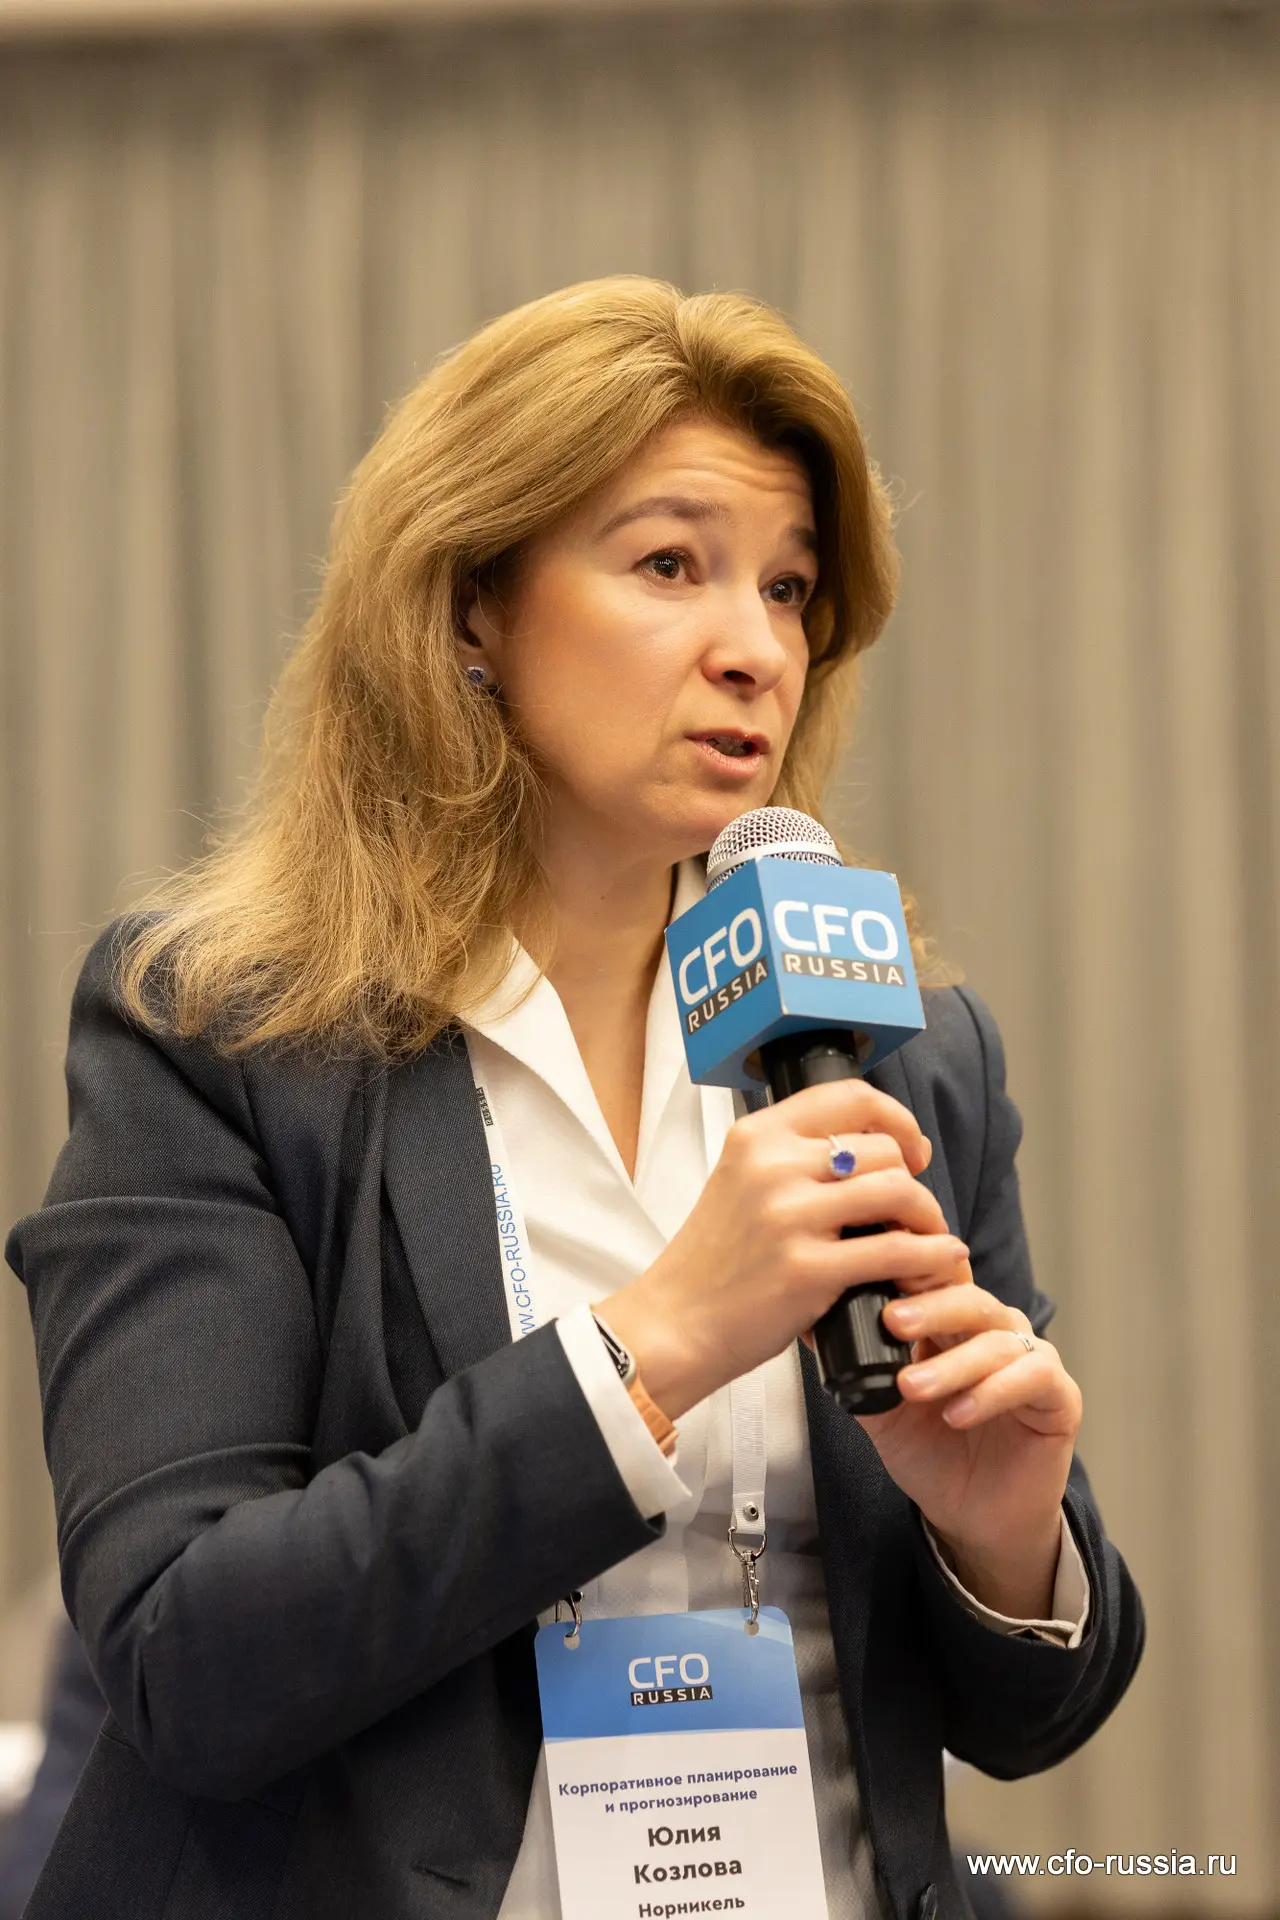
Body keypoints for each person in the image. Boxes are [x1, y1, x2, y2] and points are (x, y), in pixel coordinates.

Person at [5, 277, 1143, 1920]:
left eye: (790, 587)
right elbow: (187, 1655)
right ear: (473, 605)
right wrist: (652, 1349)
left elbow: (1032, 1716)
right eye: (671, 564)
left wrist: (1006, 1540)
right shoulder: (221, 1033)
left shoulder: (902, 1052)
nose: (755, 648)